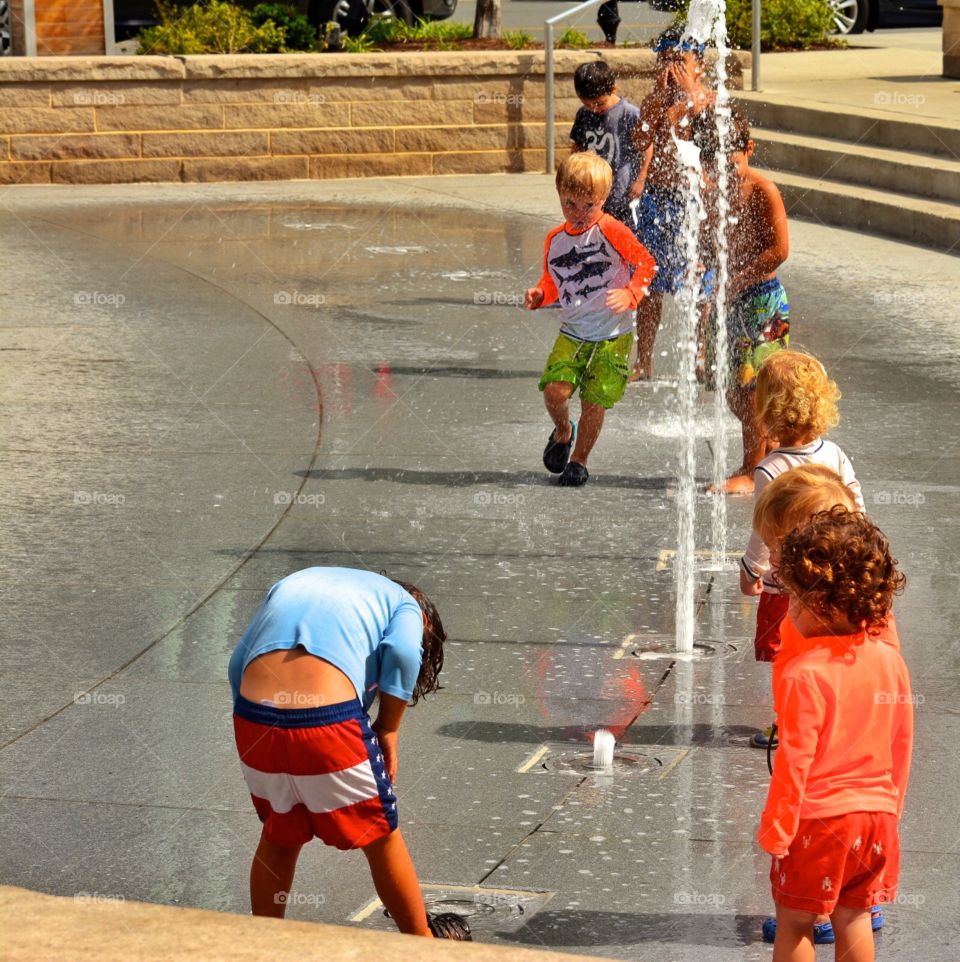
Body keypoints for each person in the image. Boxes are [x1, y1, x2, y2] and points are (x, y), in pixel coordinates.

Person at [227, 567, 462, 939]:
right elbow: (402, 652)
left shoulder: (292, 584)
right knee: (381, 835)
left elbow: (237, 663)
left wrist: (264, 728)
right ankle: (423, 946)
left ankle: (264, 945)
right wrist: (387, 727)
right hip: (327, 718)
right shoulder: (406, 605)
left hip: (253, 717)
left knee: (278, 835)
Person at [758, 508, 912, 962]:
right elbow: (901, 744)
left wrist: (777, 828)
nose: (789, 609)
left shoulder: (805, 674)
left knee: (795, 922)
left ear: (823, 604)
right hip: (876, 818)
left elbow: (794, 760)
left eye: (795, 599)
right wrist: (891, 807)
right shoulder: (889, 661)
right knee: (855, 917)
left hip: (817, 822)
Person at [525, 151, 655, 487]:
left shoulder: (612, 229)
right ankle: (564, 430)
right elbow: (555, 281)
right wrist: (541, 295)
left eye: (589, 205)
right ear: (559, 195)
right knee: (554, 391)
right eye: (570, 204)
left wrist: (631, 294)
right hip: (573, 332)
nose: (580, 214)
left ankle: (580, 460)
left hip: (613, 335)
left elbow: (646, 264)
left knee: (594, 402)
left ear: (604, 199)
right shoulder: (555, 240)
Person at [700, 109, 790, 491]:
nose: (724, 176)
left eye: (731, 166)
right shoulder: (711, 191)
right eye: (714, 168)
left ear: (749, 149)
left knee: (751, 389)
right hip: (728, 299)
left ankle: (751, 471)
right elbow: (708, 243)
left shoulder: (764, 190)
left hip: (761, 303)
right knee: (726, 384)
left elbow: (779, 250)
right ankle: (769, 449)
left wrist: (738, 280)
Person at [629, 27, 715, 380]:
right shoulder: (655, 100)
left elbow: (710, 142)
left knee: (702, 287)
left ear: (701, 66)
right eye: (665, 62)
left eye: (680, 62)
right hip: (658, 201)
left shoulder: (709, 101)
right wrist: (655, 104)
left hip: (696, 202)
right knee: (650, 285)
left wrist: (691, 97)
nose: (671, 70)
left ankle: (700, 358)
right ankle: (643, 360)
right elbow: (639, 140)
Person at [570, 61, 643, 227]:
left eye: (600, 103)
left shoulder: (629, 114)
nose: (594, 109)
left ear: (614, 89)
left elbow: (647, 148)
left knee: (623, 236)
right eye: (587, 104)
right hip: (592, 193)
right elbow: (577, 148)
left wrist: (641, 180)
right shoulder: (583, 114)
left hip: (622, 193)